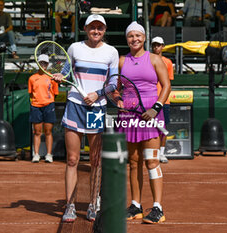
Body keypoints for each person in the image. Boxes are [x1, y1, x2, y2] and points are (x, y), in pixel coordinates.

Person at [52, 14, 119, 222]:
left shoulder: (112, 52)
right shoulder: (74, 48)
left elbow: (114, 83)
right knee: (72, 159)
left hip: (96, 108)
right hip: (74, 105)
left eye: (100, 28)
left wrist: (97, 94)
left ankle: (92, 204)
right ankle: (70, 205)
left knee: (95, 161)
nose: (96, 31)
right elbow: (65, 71)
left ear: (104, 30)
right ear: (85, 28)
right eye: (92, 27)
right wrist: (60, 76)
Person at [118, 21, 171, 224]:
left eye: (138, 35)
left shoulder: (156, 59)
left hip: (151, 116)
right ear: (127, 39)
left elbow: (166, 86)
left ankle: (158, 208)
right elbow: (115, 88)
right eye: (131, 36)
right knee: (133, 162)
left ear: (144, 38)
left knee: (151, 161)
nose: (135, 39)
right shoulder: (122, 61)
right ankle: (135, 206)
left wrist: (155, 108)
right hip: (129, 116)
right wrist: (118, 99)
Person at [28, 54, 59, 163]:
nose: (43, 65)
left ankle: (49, 155)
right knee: (37, 132)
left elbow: (55, 93)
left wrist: (47, 101)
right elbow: (31, 94)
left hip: (48, 105)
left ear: (47, 64)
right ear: (38, 64)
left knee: (48, 131)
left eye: (45, 63)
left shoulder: (52, 77)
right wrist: (36, 103)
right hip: (36, 106)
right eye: (41, 63)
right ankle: (36, 154)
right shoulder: (32, 78)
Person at [151, 36, 174, 164]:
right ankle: (151, 153)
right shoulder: (147, 60)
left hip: (164, 101)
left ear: (163, 46)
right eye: (154, 45)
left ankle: (162, 153)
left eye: (158, 45)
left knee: (163, 128)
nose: (156, 47)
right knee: (149, 128)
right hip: (149, 100)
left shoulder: (168, 62)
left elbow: (168, 83)